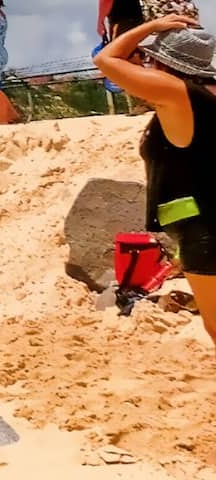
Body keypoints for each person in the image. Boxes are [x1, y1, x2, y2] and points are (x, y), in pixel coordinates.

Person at [95, 16, 216, 344]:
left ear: (166, 66)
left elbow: (106, 59)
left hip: (205, 232)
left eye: (150, 61)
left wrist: (151, 26)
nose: (144, 67)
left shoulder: (178, 94)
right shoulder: (202, 97)